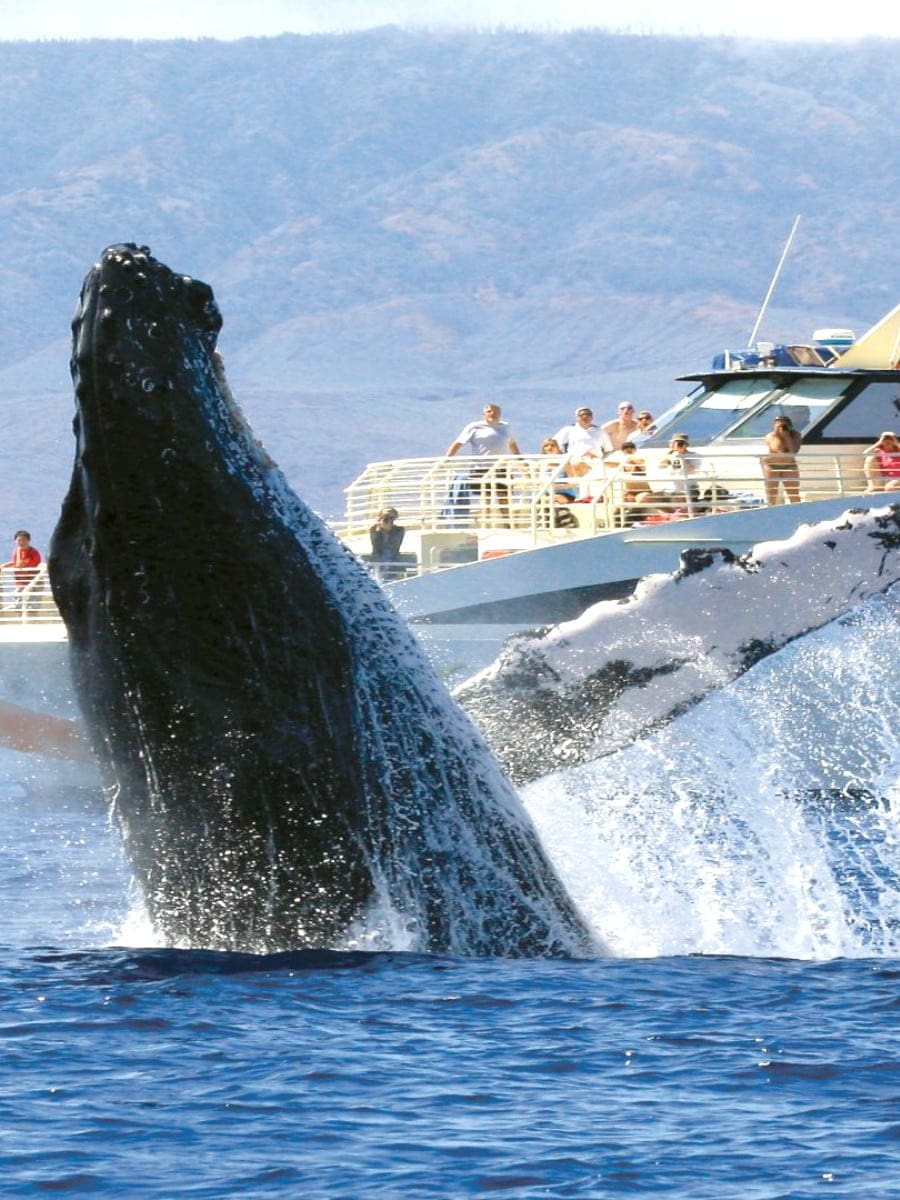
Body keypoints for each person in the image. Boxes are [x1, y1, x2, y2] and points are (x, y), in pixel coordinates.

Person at [445, 403, 520, 523]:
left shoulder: (505, 427)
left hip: (502, 468)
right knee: (486, 499)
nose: (492, 413)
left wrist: (520, 460)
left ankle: (508, 524)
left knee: (504, 498)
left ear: (500, 414)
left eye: (496, 411)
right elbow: (458, 443)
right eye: (489, 411)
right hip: (481, 468)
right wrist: (447, 459)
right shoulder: (474, 427)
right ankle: (486, 524)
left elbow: (512, 444)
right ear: (484, 414)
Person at [630, 434, 702, 515]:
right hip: (669, 490)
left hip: (687, 490)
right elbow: (661, 466)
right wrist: (670, 456)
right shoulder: (670, 455)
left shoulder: (693, 455)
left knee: (676, 500)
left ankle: (677, 515)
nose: (675, 445)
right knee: (643, 498)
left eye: (679, 443)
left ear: (685, 444)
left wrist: (680, 455)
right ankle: (672, 514)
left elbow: (691, 469)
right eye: (673, 442)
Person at [552, 406, 609, 473]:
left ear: (592, 417)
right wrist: (563, 458)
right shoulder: (568, 430)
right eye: (581, 415)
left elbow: (608, 450)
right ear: (576, 418)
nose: (585, 416)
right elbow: (554, 443)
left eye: (588, 414)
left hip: (595, 465)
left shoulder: (600, 432)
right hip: (574, 464)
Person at [762, 415, 802, 504]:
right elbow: (779, 451)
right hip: (772, 466)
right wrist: (780, 435)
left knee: (793, 493)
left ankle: (797, 510)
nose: (782, 428)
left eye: (784, 425)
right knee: (772, 494)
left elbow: (794, 451)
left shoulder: (796, 435)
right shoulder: (770, 436)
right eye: (778, 425)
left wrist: (787, 437)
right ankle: (771, 510)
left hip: (789, 465)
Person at [1, 530, 42, 610]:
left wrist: (19, 551)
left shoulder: (33, 553)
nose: (21, 542)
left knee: (32, 608)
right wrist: (4, 566)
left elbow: (20, 565)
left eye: (24, 540)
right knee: (18, 606)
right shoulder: (17, 552)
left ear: (29, 540)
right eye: (19, 540)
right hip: (21, 584)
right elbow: (16, 563)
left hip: (34, 584)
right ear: (15, 541)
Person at [367, 507, 406, 579]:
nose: (387, 520)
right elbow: (376, 546)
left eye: (391, 518)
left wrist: (389, 531)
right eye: (385, 517)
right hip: (377, 564)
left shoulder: (399, 530)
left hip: (394, 564)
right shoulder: (374, 530)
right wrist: (379, 529)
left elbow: (394, 545)